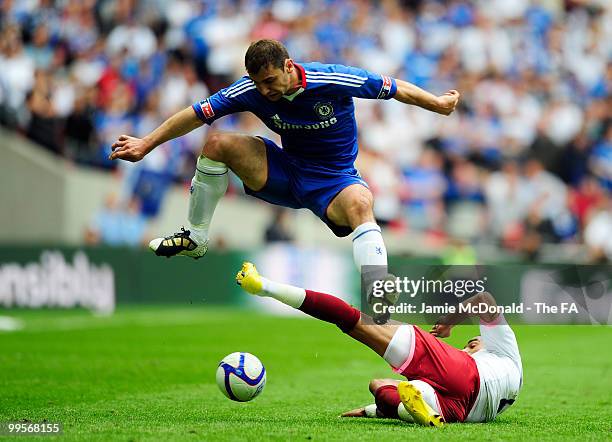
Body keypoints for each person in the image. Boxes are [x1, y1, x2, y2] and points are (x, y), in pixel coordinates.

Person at [109, 39, 459, 278]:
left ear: (289, 66)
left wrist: (438, 104)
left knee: (362, 201)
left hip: (333, 181)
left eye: (270, 80)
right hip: (285, 171)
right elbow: (196, 113)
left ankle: (377, 290)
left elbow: (394, 87)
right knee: (216, 144)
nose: (264, 91)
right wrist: (147, 143)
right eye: (258, 83)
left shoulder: (331, 78)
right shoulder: (251, 90)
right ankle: (196, 237)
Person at [235, 262, 522, 426]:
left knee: (356, 320)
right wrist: (372, 411)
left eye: (473, 343)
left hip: (464, 377)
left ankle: (264, 287)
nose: (471, 344)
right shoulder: (508, 375)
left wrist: (449, 322)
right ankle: (411, 401)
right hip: (460, 412)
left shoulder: (501, 352)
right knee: (378, 387)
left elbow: (483, 300)